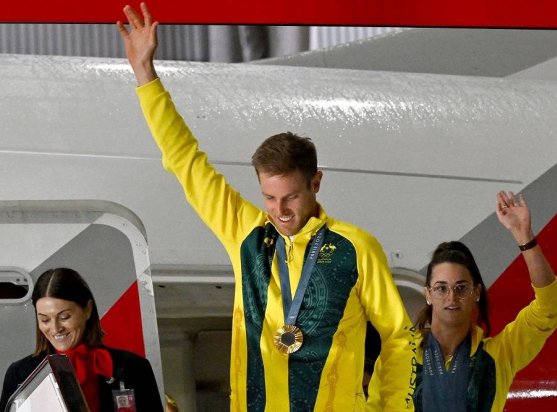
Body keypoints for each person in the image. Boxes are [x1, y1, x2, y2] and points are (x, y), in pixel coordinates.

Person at [116, 3, 415, 411]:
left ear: (315, 182)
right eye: (270, 198)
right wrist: (145, 75)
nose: (281, 210)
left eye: (291, 196)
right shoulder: (247, 234)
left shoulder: (356, 248)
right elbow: (186, 162)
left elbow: (399, 338)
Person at [394, 190, 557, 411]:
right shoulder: (397, 358)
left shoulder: (498, 355)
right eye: (441, 288)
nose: (451, 297)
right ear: (428, 294)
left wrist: (525, 237)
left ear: (476, 292)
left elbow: (549, 308)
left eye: (461, 288)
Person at [0, 268, 164, 412]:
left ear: (88, 309)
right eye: (44, 320)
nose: (56, 328)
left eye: (64, 317)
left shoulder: (132, 368)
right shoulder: (20, 373)